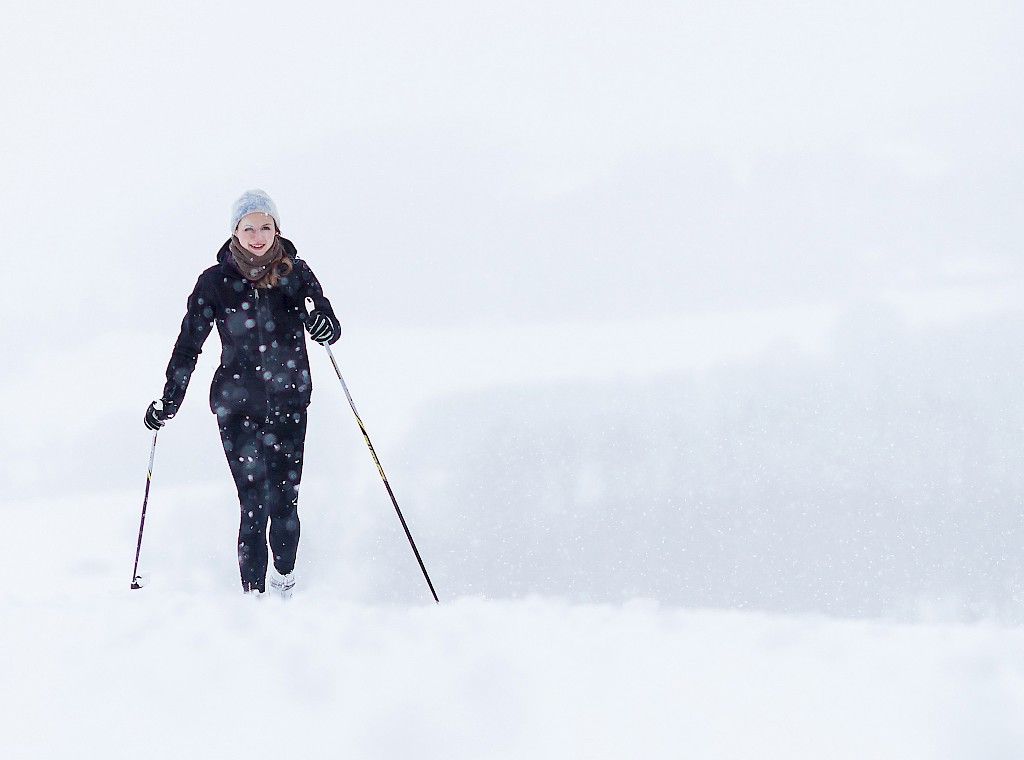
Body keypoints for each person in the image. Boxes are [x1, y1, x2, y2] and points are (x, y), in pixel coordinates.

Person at [144, 189, 341, 597]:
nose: (257, 235)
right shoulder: (215, 283)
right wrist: (169, 401)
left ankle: (284, 583)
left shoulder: (295, 274)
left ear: (277, 230)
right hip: (237, 407)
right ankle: (253, 601)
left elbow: (326, 321)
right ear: (234, 231)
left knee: (284, 503)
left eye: (265, 226)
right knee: (254, 502)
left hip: (289, 401)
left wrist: (323, 324)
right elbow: (188, 345)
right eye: (248, 227)